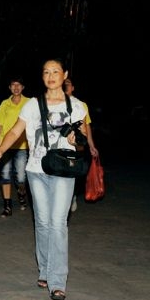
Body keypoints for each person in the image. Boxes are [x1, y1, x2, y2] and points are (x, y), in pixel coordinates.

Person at [0, 58, 87, 300]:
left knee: (58, 223)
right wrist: (0, 151)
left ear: (64, 75)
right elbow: (15, 130)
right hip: (36, 170)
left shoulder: (76, 106)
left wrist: (77, 140)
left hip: (64, 171)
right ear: (42, 77)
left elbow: (82, 140)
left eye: (55, 71)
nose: (51, 76)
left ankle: (58, 281)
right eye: (46, 72)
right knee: (42, 222)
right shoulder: (33, 105)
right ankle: (44, 269)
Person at [0, 77, 30, 217]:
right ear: (9, 87)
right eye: (13, 85)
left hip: (22, 145)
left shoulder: (29, 102)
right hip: (5, 146)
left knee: (21, 178)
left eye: (19, 85)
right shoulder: (5, 103)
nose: (16, 87)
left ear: (23, 87)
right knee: (5, 175)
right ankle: (7, 206)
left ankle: (22, 193)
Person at [63, 78, 99, 212]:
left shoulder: (81, 104)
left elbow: (86, 126)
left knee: (73, 172)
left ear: (73, 88)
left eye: (68, 84)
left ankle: (72, 196)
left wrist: (91, 145)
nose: (65, 86)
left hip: (76, 146)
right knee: (61, 172)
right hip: (59, 146)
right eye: (63, 84)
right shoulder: (54, 102)